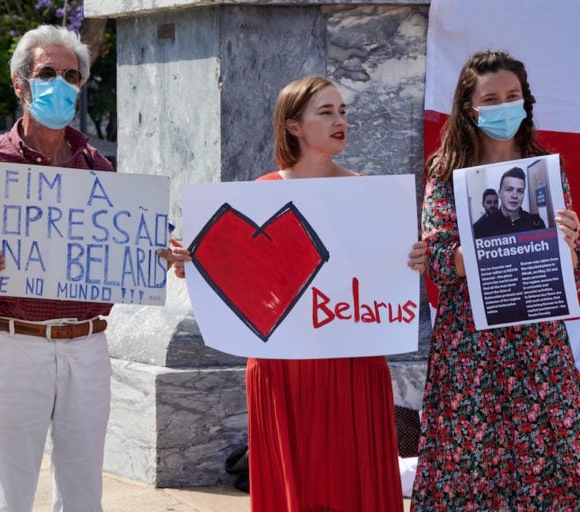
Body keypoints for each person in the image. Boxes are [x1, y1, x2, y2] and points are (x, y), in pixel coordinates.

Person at [164, 76, 426, 512]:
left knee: (352, 483)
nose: (340, 120)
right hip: (282, 369)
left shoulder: (371, 196)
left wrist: (413, 257)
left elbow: (384, 272)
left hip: (353, 365)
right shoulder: (260, 196)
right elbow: (226, 276)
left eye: (342, 111)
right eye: (326, 112)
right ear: (293, 127)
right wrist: (190, 262)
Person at [0, 25, 115, 511]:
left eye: (71, 75)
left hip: (88, 345)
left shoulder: (99, 171)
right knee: (9, 491)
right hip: (14, 344)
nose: (60, 84)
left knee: (85, 494)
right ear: (21, 84)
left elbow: (114, 256)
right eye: (47, 73)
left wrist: (155, 256)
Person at [412, 50, 580, 509]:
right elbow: (442, 262)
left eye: (513, 96)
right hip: (469, 348)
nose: (504, 106)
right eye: (492, 98)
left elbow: (566, 272)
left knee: (549, 460)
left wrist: (567, 242)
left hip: (539, 344)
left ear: (526, 102)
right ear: (471, 108)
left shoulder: (548, 170)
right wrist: (507, 243)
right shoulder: (444, 175)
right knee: (467, 466)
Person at [473, 166, 546, 237]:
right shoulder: (482, 227)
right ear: (499, 193)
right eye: (509, 189)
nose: (514, 195)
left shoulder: (536, 224)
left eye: (520, 191)